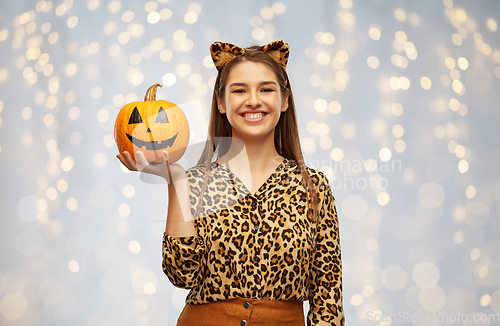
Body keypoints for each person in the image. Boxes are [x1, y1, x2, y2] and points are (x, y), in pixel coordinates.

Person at [117, 40, 344, 326]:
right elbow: (181, 274)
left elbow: (329, 296)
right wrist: (176, 182)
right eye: (239, 90)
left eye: (266, 89)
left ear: (285, 100)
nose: (253, 100)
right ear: (221, 102)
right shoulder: (194, 182)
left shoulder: (313, 186)